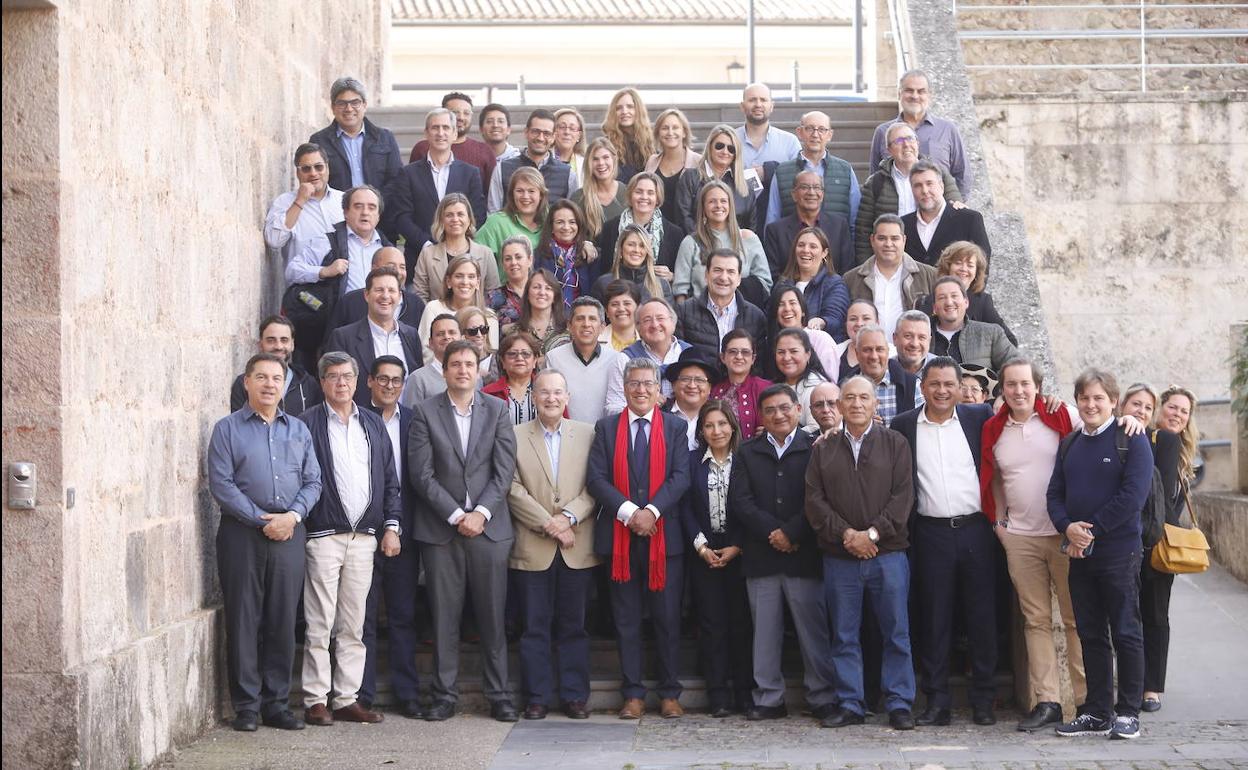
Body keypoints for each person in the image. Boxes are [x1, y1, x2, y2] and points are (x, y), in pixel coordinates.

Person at [208, 353, 321, 733]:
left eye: (276, 378)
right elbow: (221, 484)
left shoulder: (299, 431)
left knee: (282, 618)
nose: (270, 384)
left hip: (290, 531)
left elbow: (313, 482)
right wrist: (262, 520)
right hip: (242, 533)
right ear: (247, 383)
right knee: (243, 618)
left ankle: (276, 704)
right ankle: (246, 705)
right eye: (261, 377)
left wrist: (291, 518)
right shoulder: (227, 429)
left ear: (284, 384)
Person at [408, 340, 520, 723]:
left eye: (469, 364)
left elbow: (504, 470)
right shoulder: (424, 412)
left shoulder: (497, 410)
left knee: (492, 616)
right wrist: (458, 515)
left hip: (490, 530)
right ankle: (443, 695)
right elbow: (421, 475)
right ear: (444, 370)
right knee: (444, 617)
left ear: (480, 369)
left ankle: (501, 695)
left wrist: (482, 513)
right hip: (442, 530)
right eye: (455, 364)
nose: (462, 370)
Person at [889, 357, 998, 727]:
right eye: (934, 384)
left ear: (959, 387)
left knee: (982, 617)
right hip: (930, 532)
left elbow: (1027, 408)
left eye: (948, 384)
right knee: (934, 620)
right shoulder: (904, 426)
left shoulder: (979, 417)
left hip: (976, 530)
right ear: (922, 387)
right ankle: (937, 701)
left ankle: (984, 700)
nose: (941, 391)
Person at [804, 375, 917, 730]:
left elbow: (903, 497)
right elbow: (814, 501)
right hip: (840, 558)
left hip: (889, 556)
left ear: (874, 403)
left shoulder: (895, 443)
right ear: (838, 406)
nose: (855, 404)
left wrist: (871, 534)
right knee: (844, 634)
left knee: (895, 632)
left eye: (863, 398)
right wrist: (848, 536)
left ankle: (899, 702)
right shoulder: (823, 448)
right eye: (848, 398)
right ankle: (851, 703)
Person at [979, 357, 1085, 731]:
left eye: (1025, 384)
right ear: (1002, 390)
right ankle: (1048, 701)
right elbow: (994, 477)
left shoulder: (1062, 417)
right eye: (1011, 385)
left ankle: (1086, 700)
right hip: (1021, 537)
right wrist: (1000, 525)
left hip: (1064, 535)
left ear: (1037, 386)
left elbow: (1099, 429)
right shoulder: (994, 428)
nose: (1019, 391)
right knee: (1035, 621)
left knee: (1075, 619)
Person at [1047, 369, 1152, 740]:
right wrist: (1066, 527)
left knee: (1125, 630)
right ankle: (1097, 711)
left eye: (1098, 398)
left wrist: (1087, 531)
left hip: (1118, 553)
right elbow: (1054, 494)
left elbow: (1132, 498)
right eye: (1084, 398)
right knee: (1090, 633)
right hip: (1080, 554)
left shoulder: (1131, 440)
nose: (1091, 405)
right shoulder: (1071, 443)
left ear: (1113, 401)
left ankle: (1127, 712)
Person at [586, 357, 692, 719]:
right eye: (634, 384)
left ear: (659, 390)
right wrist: (632, 513)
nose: (642, 390)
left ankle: (669, 693)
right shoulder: (606, 428)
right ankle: (632, 694)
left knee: (667, 619)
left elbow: (681, 476)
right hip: (620, 538)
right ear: (625, 388)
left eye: (649, 384)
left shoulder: (676, 428)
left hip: (667, 540)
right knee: (626, 620)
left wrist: (653, 513)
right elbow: (596, 479)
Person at [297, 352, 399, 727]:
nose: (341, 383)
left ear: (358, 382)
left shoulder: (372, 424)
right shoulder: (306, 424)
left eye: (347, 376)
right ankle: (315, 699)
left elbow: (390, 480)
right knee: (320, 621)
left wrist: (392, 526)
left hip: (364, 538)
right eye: (333, 377)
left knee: (353, 624)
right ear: (322, 383)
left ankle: (346, 698)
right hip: (324, 535)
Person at [729, 384, 838, 721]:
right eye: (771, 410)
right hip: (761, 554)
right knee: (765, 631)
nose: (778, 415)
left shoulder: (814, 447)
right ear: (762, 416)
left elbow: (821, 497)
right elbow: (741, 501)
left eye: (784, 408)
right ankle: (769, 697)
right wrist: (771, 532)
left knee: (812, 630)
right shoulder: (747, 451)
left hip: (803, 552)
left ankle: (822, 695)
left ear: (797, 409)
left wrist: (791, 532)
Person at [507, 370, 599, 720]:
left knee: (574, 625)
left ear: (567, 396)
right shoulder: (514, 435)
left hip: (577, 544)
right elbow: (511, 488)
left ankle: (575, 695)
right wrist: (548, 523)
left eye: (557, 392)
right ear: (533, 396)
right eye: (544, 392)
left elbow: (597, 483)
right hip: (533, 544)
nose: (551, 398)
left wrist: (569, 518)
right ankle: (537, 696)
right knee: (534, 626)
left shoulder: (588, 434)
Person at [358, 356, 425, 718]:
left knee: (402, 615)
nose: (389, 386)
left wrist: (398, 527)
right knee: (362, 617)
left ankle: (407, 692)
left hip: (406, 532)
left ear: (403, 385)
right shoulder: (355, 419)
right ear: (369, 381)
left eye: (396, 381)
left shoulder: (414, 421)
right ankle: (362, 693)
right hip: (364, 529)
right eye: (382, 379)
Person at [684, 400, 754, 716]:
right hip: (704, 551)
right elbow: (684, 507)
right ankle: (718, 694)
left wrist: (737, 545)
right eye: (710, 425)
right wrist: (701, 547)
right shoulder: (690, 462)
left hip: (740, 551)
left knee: (741, 624)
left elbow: (752, 505)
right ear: (701, 431)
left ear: (733, 426)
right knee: (712, 624)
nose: (717, 431)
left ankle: (743, 692)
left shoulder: (746, 461)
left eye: (722, 424)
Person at [285, 185, 393, 372]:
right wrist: (324, 271)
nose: (365, 212)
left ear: (379, 215)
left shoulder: (386, 248)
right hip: (337, 326)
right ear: (345, 212)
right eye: (358, 206)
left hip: (377, 327)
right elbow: (292, 270)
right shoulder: (327, 242)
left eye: (371, 207)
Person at [1142, 384, 1200, 712]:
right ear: (1160, 408)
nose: (1177, 414)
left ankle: (1150, 687)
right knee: (1151, 615)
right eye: (1172, 407)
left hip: (1163, 545)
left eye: (1184, 411)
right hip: (1153, 541)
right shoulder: (1158, 441)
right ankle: (1148, 688)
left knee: (1153, 614)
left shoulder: (1177, 450)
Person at [386, 108, 488, 276]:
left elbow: (478, 215)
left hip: (462, 261)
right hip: (420, 258)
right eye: (435, 128)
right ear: (426, 133)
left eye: (446, 128)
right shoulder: (408, 173)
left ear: (455, 133)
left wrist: (457, 244)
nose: (441, 133)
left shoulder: (470, 173)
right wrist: (428, 245)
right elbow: (402, 217)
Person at [856, 123, 963, 265]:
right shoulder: (876, 183)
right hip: (891, 258)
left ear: (917, 143)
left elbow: (956, 212)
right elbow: (863, 231)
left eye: (910, 139)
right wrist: (866, 268)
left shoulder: (939, 174)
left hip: (934, 257)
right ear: (889, 149)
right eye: (899, 141)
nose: (906, 144)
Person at [323, 266, 424, 405]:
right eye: (379, 290)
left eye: (391, 290)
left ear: (399, 296)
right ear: (366, 295)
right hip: (361, 421)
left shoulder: (411, 335)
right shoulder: (343, 337)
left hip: (405, 421)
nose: (385, 296)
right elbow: (334, 385)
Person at [869, 70, 970, 196]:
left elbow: (962, 175)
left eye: (921, 91)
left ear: (929, 95)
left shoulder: (948, 130)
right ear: (899, 94)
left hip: (939, 212)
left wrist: (955, 207)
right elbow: (875, 177)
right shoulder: (882, 132)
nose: (915, 96)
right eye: (909, 90)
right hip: (897, 212)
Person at [673, 180, 771, 306]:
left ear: (730, 205)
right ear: (703, 207)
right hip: (700, 316)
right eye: (712, 201)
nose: (718, 205)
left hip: (742, 315)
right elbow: (681, 291)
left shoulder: (748, 239)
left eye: (723, 201)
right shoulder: (690, 243)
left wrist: (734, 294)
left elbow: (765, 284)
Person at [764, 111, 861, 235]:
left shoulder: (844, 170)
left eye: (822, 129)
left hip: (835, 248)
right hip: (792, 249)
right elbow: (772, 219)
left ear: (830, 135)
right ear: (799, 132)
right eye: (809, 128)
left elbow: (855, 220)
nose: (815, 134)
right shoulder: (782, 172)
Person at [842, 214, 937, 339]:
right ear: (872, 240)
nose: (888, 244)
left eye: (894, 238)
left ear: (904, 240)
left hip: (912, 353)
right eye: (882, 238)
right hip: (868, 353)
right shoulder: (851, 279)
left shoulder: (929, 275)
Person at [309, 77, 402, 199]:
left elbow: (396, 180)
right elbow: (315, 181)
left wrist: (376, 206)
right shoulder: (319, 141)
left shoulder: (385, 138)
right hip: (335, 214)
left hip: (378, 214)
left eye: (355, 102)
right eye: (342, 103)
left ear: (364, 105)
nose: (349, 109)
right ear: (333, 107)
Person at [264, 143, 344, 275]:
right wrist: (300, 201)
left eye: (319, 167)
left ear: (327, 168)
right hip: (305, 289)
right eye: (306, 169)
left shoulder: (344, 200)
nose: (313, 173)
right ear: (297, 173)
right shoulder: (284, 202)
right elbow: (274, 240)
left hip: (343, 286)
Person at [915, 241, 1016, 345]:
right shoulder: (928, 301)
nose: (964, 269)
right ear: (948, 266)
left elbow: (1010, 341)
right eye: (958, 263)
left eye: (970, 265)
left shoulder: (983, 302)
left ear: (977, 272)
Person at [410, 193, 500, 303]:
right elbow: (420, 295)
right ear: (441, 220)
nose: (455, 219)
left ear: (469, 219)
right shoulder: (427, 254)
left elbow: (493, 295)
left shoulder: (486, 254)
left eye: (460, 214)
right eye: (449, 215)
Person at [675, 249, 767, 358]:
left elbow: (758, 364)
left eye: (730, 272)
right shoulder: (684, 311)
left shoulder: (755, 316)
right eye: (717, 270)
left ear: (739, 279)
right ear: (706, 274)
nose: (723, 277)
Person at [605, 298, 692, 412]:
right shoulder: (625, 359)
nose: (655, 325)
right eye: (647, 320)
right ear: (638, 328)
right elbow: (613, 408)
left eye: (660, 318)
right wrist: (641, 406)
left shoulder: (689, 354)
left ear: (673, 323)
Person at [763, 169, 854, 279]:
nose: (811, 192)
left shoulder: (839, 226)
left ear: (822, 194)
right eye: (804, 187)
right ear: (794, 195)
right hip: (790, 293)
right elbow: (773, 275)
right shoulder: (776, 231)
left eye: (816, 187)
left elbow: (847, 271)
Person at [597, 172, 685, 280]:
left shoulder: (675, 234)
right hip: (619, 292)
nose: (644, 197)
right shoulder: (610, 228)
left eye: (650, 193)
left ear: (657, 198)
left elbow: (681, 278)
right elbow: (604, 271)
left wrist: (672, 276)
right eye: (639, 192)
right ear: (630, 195)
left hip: (658, 294)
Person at [546, 296, 621, 423]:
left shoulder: (616, 359)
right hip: (566, 436)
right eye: (580, 319)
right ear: (569, 325)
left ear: (602, 327)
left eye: (592, 319)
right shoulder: (554, 358)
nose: (586, 324)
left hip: (605, 437)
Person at [229, 316, 323, 416]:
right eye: (271, 340)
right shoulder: (244, 383)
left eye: (284, 340)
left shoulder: (309, 384)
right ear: (260, 344)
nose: (278, 346)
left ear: (292, 344)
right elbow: (238, 426)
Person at [902, 161, 991, 267]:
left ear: (941, 186)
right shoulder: (903, 224)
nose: (925, 190)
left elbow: (982, 262)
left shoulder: (969, 220)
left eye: (929, 183)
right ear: (912, 190)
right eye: (918, 186)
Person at [488, 108, 578, 214]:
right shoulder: (502, 169)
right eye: (536, 131)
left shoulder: (568, 175)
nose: (540, 138)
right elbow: (493, 213)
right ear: (526, 132)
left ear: (554, 137)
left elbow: (572, 215)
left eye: (546, 133)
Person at [675, 125, 759, 236]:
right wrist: (708, 242)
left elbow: (751, 226)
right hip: (698, 245)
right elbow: (683, 217)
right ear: (710, 147)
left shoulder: (745, 186)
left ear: (736, 154)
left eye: (731, 149)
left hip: (736, 249)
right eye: (719, 146)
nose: (725, 151)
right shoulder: (690, 178)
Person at [325, 246, 426, 336]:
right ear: (374, 269)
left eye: (402, 267)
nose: (398, 272)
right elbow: (331, 349)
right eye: (391, 266)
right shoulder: (349, 302)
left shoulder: (416, 304)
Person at [928, 276, 1018, 373]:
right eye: (942, 298)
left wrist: (990, 385)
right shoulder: (920, 336)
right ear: (934, 307)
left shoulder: (991, 334)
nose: (949, 302)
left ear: (966, 302)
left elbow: (1016, 368)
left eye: (954, 296)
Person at [408, 92, 497, 190]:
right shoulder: (423, 148)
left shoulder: (484, 151)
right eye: (455, 112)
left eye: (466, 113)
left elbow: (490, 194)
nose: (461, 117)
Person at [418, 256, 497, 360]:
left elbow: (492, 355)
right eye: (459, 276)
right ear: (448, 281)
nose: (465, 282)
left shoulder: (489, 316)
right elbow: (425, 351)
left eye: (471, 276)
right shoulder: (433, 308)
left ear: (478, 282)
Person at [781, 227, 850, 339]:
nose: (806, 250)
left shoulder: (834, 283)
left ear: (824, 253)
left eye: (813, 246)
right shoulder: (783, 284)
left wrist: (821, 322)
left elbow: (835, 318)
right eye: (801, 245)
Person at [845, 324, 918, 428]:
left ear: (888, 352)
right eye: (867, 350)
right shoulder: (845, 388)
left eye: (879, 349)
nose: (874, 356)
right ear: (857, 353)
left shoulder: (912, 385)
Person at [767, 284, 840, 382]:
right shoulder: (772, 343)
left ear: (803, 311)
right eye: (781, 304)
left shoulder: (819, 339)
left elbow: (830, 381)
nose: (787, 309)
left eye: (792, 303)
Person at [534, 199, 598, 311]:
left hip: (581, 318)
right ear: (551, 227)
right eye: (560, 222)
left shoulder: (590, 255)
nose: (566, 227)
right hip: (548, 317)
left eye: (572, 222)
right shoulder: (539, 255)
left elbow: (594, 294)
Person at [710, 329, 772, 439]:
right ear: (723, 357)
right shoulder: (713, 390)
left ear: (753, 359)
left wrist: (772, 430)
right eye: (733, 351)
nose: (739, 357)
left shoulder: (766, 389)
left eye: (745, 352)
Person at [644, 108, 701, 227]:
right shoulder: (652, 161)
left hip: (688, 231)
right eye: (665, 128)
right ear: (658, 133)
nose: (670, 132)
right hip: (656, 230)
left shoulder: (698, 162)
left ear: (684, 132)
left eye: (675, 127)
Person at [591, 224, 674, 305]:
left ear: (647, 252)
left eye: (642, 246)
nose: (636, 250)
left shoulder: (661, 285)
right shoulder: (603, 284)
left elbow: (670, 318)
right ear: (620, 249)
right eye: (631, 245)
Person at [772, 328, 830, 432]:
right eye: (781, 352)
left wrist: (778, 434)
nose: (786, 357)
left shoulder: (815, 387)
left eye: (793, 351)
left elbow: (816, 428)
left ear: (808, 354)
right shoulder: (777, 385)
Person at [571, 137, 627, 241]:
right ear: (589, 163)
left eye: (606, 157)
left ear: (614, 159)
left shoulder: (627, 192)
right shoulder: (578, 198)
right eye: (595, 159)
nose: (601, 163)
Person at [482, 330, 544, 425]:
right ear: (503, 361)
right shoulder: (488, 394)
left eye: (525, 354)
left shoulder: (548, 390)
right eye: (512, 354)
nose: (519, 358)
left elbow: (563, 427)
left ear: (535, 360)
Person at [663, 347, 720, 450]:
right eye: (685, 379)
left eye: (699, 380)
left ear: (710, 387)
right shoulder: (659, 415)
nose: (692, 385)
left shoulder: (720, 418)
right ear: (674, 384)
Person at [736, 83, 801, 171]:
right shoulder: (730, 140)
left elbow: (798, 176)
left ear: (771, 106)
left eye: (763, 100)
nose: (758, 104)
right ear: (742, 106)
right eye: (752, 100)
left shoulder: (790, 142)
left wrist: (769, 173)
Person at [401, 313, 461, 407]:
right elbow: (411, 418)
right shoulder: (418, 379)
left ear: (462, 339)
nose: (446, 337)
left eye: (452, 332)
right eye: (440, 334)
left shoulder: (473, 376)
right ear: (431, 343)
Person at [505, 269, 570, 353]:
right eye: (536, 287)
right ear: (527, 294)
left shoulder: (569, 330)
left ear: (555, 296)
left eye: (548, 288)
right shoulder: (514, 332)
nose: (542, 292)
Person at [601, 87, 654, 181]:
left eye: (630, 106)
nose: (624, 112)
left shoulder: (650, 142)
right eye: (619, 108)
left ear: (638, 110)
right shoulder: (606, 145)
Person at [488, 236, 535, 327]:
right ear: (502, 264)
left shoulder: (542, 292)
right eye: (508, 259)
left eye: (518, 257)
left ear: (530, 260)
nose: (513, 262)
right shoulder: (492, 297)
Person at [835, 299, 887, 373]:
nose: (859, 324)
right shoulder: (834, 352)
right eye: (853, 319)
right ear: (846, 324)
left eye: (866, 318)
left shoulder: (893, 354)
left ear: (877, 323)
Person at [600, 279, 642, 352]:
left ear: (638, 308)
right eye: (615, 304)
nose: (621, 309)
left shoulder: (649, 339)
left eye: (627, 303)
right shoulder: (595, 340)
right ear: (606, 311)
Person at [892, 309, 934, 377]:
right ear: (895, 338)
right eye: (908, 336)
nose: (914, 344)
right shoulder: (883, 371)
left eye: (921, 337)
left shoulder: (944, 370)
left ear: (929, 341)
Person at [552, 108, 587, 186]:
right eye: (562, 127)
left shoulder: (586, 163)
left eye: (572, 128)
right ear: (553, 131)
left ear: (579, 136)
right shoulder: (543, 159)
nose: (567, 132)